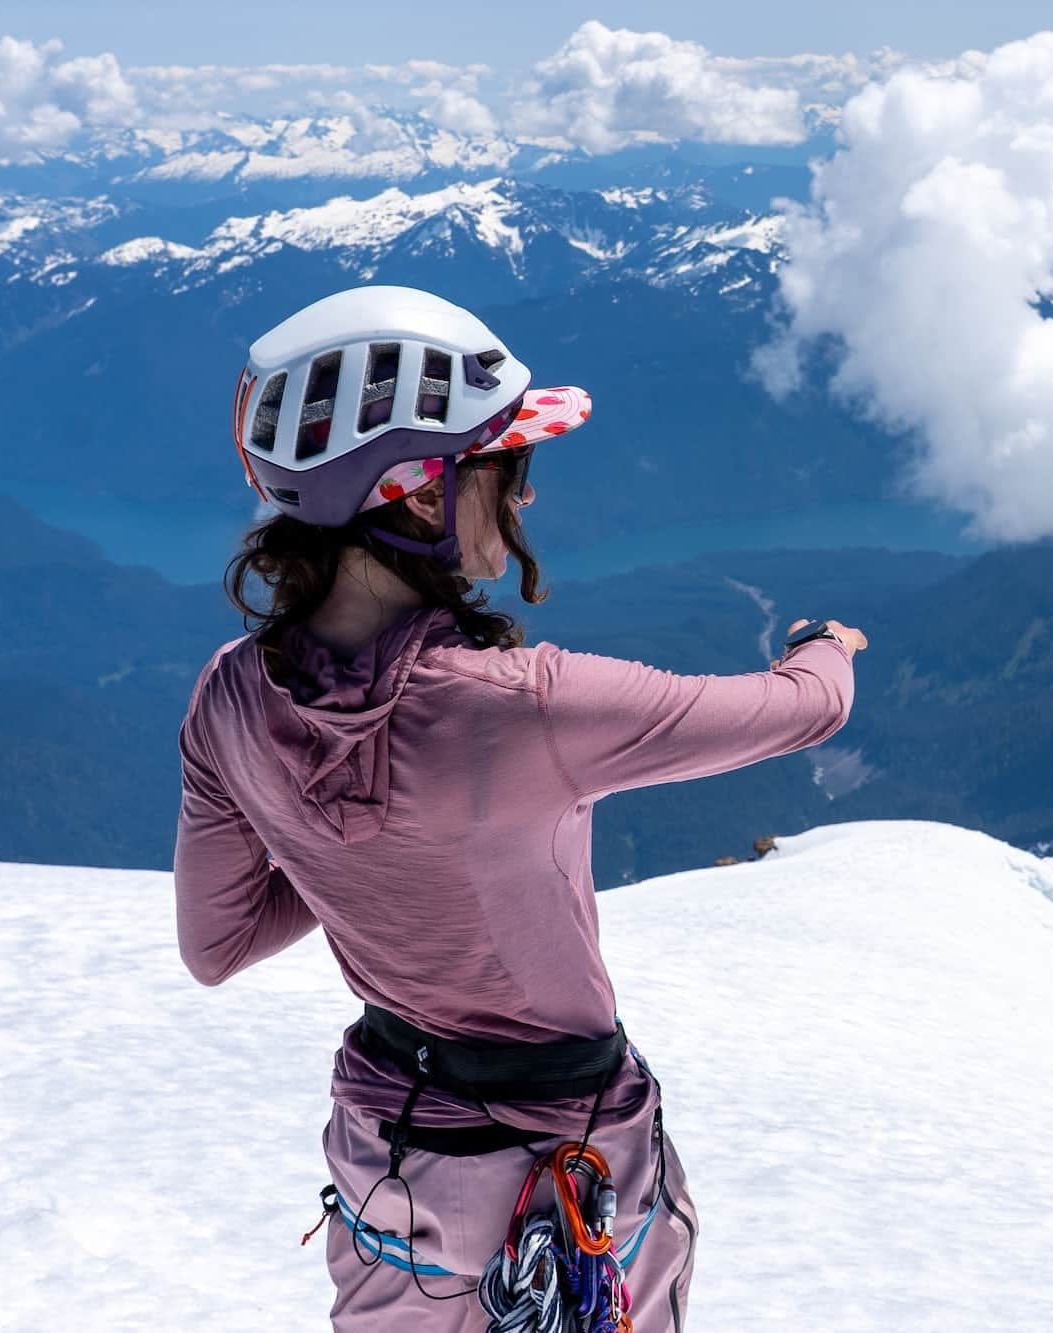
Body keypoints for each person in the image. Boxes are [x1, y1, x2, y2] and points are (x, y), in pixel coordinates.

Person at [173, 285, 867, 1331]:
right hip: (565, 1166)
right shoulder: (523, 708)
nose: (525, 497)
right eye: (506, 466)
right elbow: (797, 712)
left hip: (388, 1160)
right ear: (415, 496)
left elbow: (217, 944)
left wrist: (346, 847)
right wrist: (828, 644)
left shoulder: (231, 696)